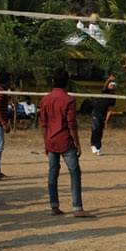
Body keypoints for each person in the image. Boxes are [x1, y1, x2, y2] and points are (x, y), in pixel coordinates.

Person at [39, 68, 92, 217]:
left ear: (53, 81)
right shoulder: (69, 100)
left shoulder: (45, 100)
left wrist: (46, 143)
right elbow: (71, 124)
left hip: (51, 140)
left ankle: (54, 206)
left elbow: (43, 123)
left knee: (52, 173)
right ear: (67, 82)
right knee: (74, 172)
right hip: (65, 140)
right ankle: (77, 207)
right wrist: (77, 143)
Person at [90, 79, 116, 156]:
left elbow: (110, 110)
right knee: (95, 129)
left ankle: (98, 147)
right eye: (111, 85)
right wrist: (109, 80)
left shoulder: (113, 97)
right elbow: (104, 86)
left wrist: (106, 121)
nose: (112, 86)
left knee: (100, 132)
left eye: (113, 85)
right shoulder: (105, 91)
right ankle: (93, 145)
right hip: (96, 112)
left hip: (103, 115)